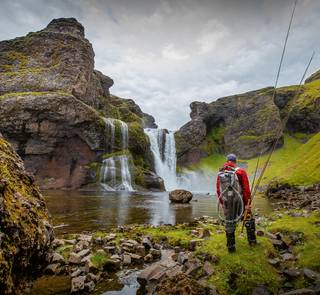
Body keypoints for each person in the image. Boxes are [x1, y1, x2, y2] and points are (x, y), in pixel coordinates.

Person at [216, 153, 257, 252]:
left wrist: (223, 203)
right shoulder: (241, 171)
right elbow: (246, 190)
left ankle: (231, 247)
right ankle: (252, 242)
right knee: (248, 219)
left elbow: (218, 190)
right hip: (240, 201)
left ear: (227, 161)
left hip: (227, 203)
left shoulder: (221, 173)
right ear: (235, 161)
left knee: (229, 223)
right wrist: (248, 203)